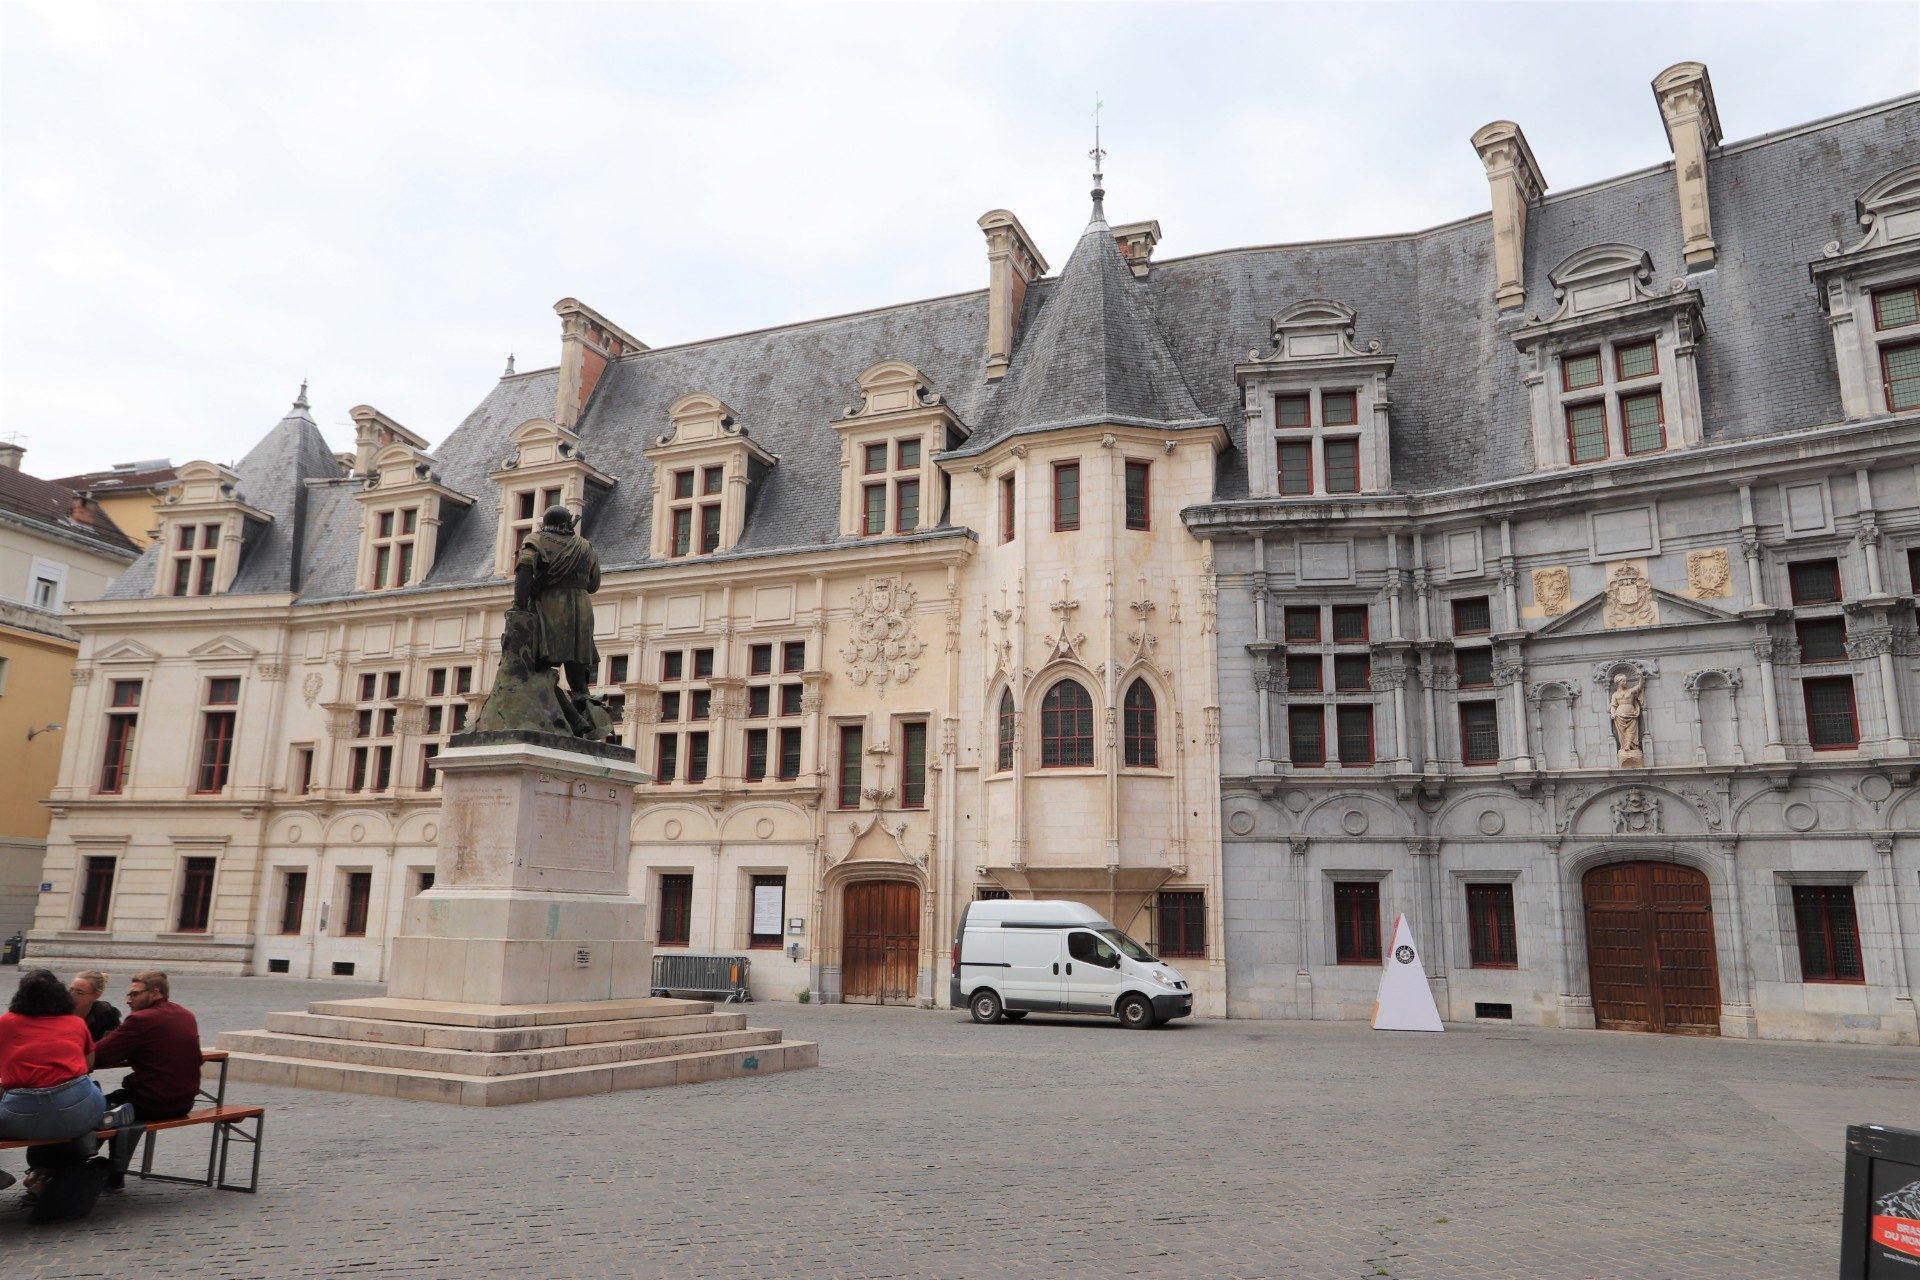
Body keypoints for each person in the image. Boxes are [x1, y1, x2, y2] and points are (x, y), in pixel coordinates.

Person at [92, 971, 201, 1190]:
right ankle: (113, 1173)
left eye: (134, 994)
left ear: (155, 993)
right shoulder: (186, 1014)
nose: (128, 1000)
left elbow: (100, 1055)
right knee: (119, 1105)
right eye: (128, 994)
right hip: (184, 1101)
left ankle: (78, 1168)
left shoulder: (142, 1019)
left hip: (154, 1101)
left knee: (97, 1111)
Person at [0, 969, 105, 1193]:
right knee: (87, 1091)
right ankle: (49, 1172)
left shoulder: (6, 1022)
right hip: (79, 1112)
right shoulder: (76, 1023)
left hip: (21, 1117)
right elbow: (88, 1065)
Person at [68, 971, 121, 1042]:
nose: (71, 995)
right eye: (70, 990)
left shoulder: (105, 1015)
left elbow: (112, 1043)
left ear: (96, 995)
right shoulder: (59, 1010)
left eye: (80, 993)